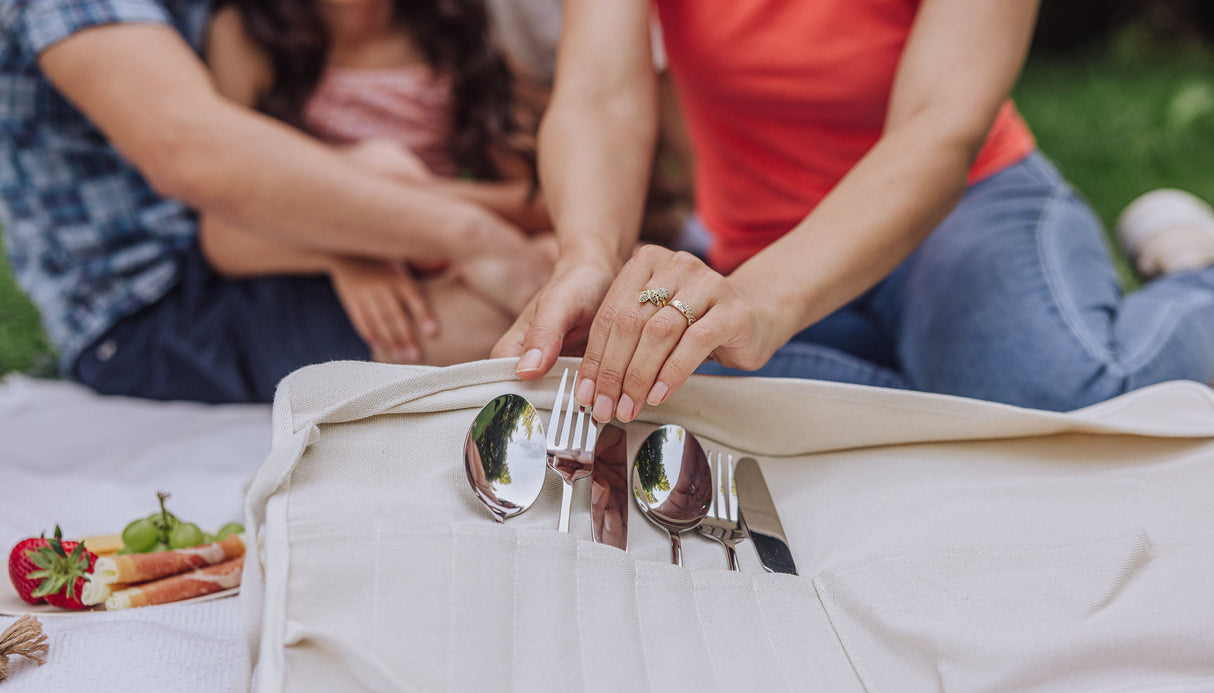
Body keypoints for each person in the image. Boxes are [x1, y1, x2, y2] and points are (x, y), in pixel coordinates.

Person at [493, 0, 1214, 418]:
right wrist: (588, 254)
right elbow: (599, 94)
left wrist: (756, 301)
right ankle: (950, 393)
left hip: (965, 211)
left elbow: (938, 127)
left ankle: (1191, 266)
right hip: (761, 241)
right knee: (666, 404)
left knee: (1046, 399)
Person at [0, 0, 550, 403]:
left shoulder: (440, 31)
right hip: (153, 303)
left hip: (272, 239)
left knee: (546, 280)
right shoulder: (246, 31)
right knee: (524, 316)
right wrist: (464, 234)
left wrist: (365, 236)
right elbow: (190, 152)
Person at [201, 0, 552, 367]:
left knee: (565, 269)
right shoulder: (248, 33)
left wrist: (421, 202)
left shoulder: (454, 26)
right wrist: (347, 251)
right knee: (383, 164)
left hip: (464, 245)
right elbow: (223, 228)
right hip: (351, 265)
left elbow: (545, 202)